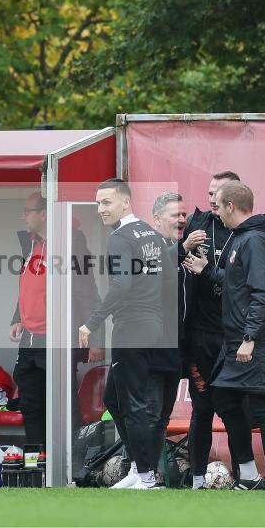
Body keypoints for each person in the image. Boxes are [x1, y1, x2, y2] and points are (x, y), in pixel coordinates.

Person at [184, 181, 265, 490]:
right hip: (237, 342)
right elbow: (235, 286)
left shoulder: (256, 240)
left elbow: (262, 294)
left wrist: (250, 337)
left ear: (231, 206)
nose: (212, 208)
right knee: (224, 398)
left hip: (260, 341)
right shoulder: (241, 239)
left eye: (216, 203)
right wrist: (206, 270)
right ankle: (247, 475)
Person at [78, 178, 177, 490]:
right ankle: (137, 467)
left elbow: (121, 286)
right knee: (114, 398)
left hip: (131, 327)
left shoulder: (121, 237)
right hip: (153, 326)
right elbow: (170, 282)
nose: (100, 209)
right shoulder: (152, 233)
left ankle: (147, 477)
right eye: (97, 203)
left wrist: (91, 323)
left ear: (125, 202)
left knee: (131, 402)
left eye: (106, 202)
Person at [9, 192, 104, 446]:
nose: (23, 216)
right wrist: (18, 316)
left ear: (43, 214)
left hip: (57, 338)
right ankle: (37, 464)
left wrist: (96, 337)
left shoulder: (71, 243)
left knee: (62, 405)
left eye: (27, 211)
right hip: (30, 340)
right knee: (31, 404)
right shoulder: (30, 244)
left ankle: (69, 465)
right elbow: (28, 284)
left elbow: (88, 291)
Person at [181, 170, 240, 489]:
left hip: (231, 337)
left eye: (217, 193)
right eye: (208, 193)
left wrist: (210, 271)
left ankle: (246, 476)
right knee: (202, 408)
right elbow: (169, 260)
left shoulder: (246, 233)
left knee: (233, 411)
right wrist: (183, 244)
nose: (211, 198)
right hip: (200, 338)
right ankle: (197, 479)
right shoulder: (196, 225)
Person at [148, 192, 193, 480]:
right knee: (148, 414)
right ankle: (142, 472)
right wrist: (180, 250)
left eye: (183, 214)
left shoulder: (182, 250)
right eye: (174, 214)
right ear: (156, 219)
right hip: (150, 348)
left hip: (175, 348)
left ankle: (152, 474)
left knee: (162, 414)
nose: (181, 219)